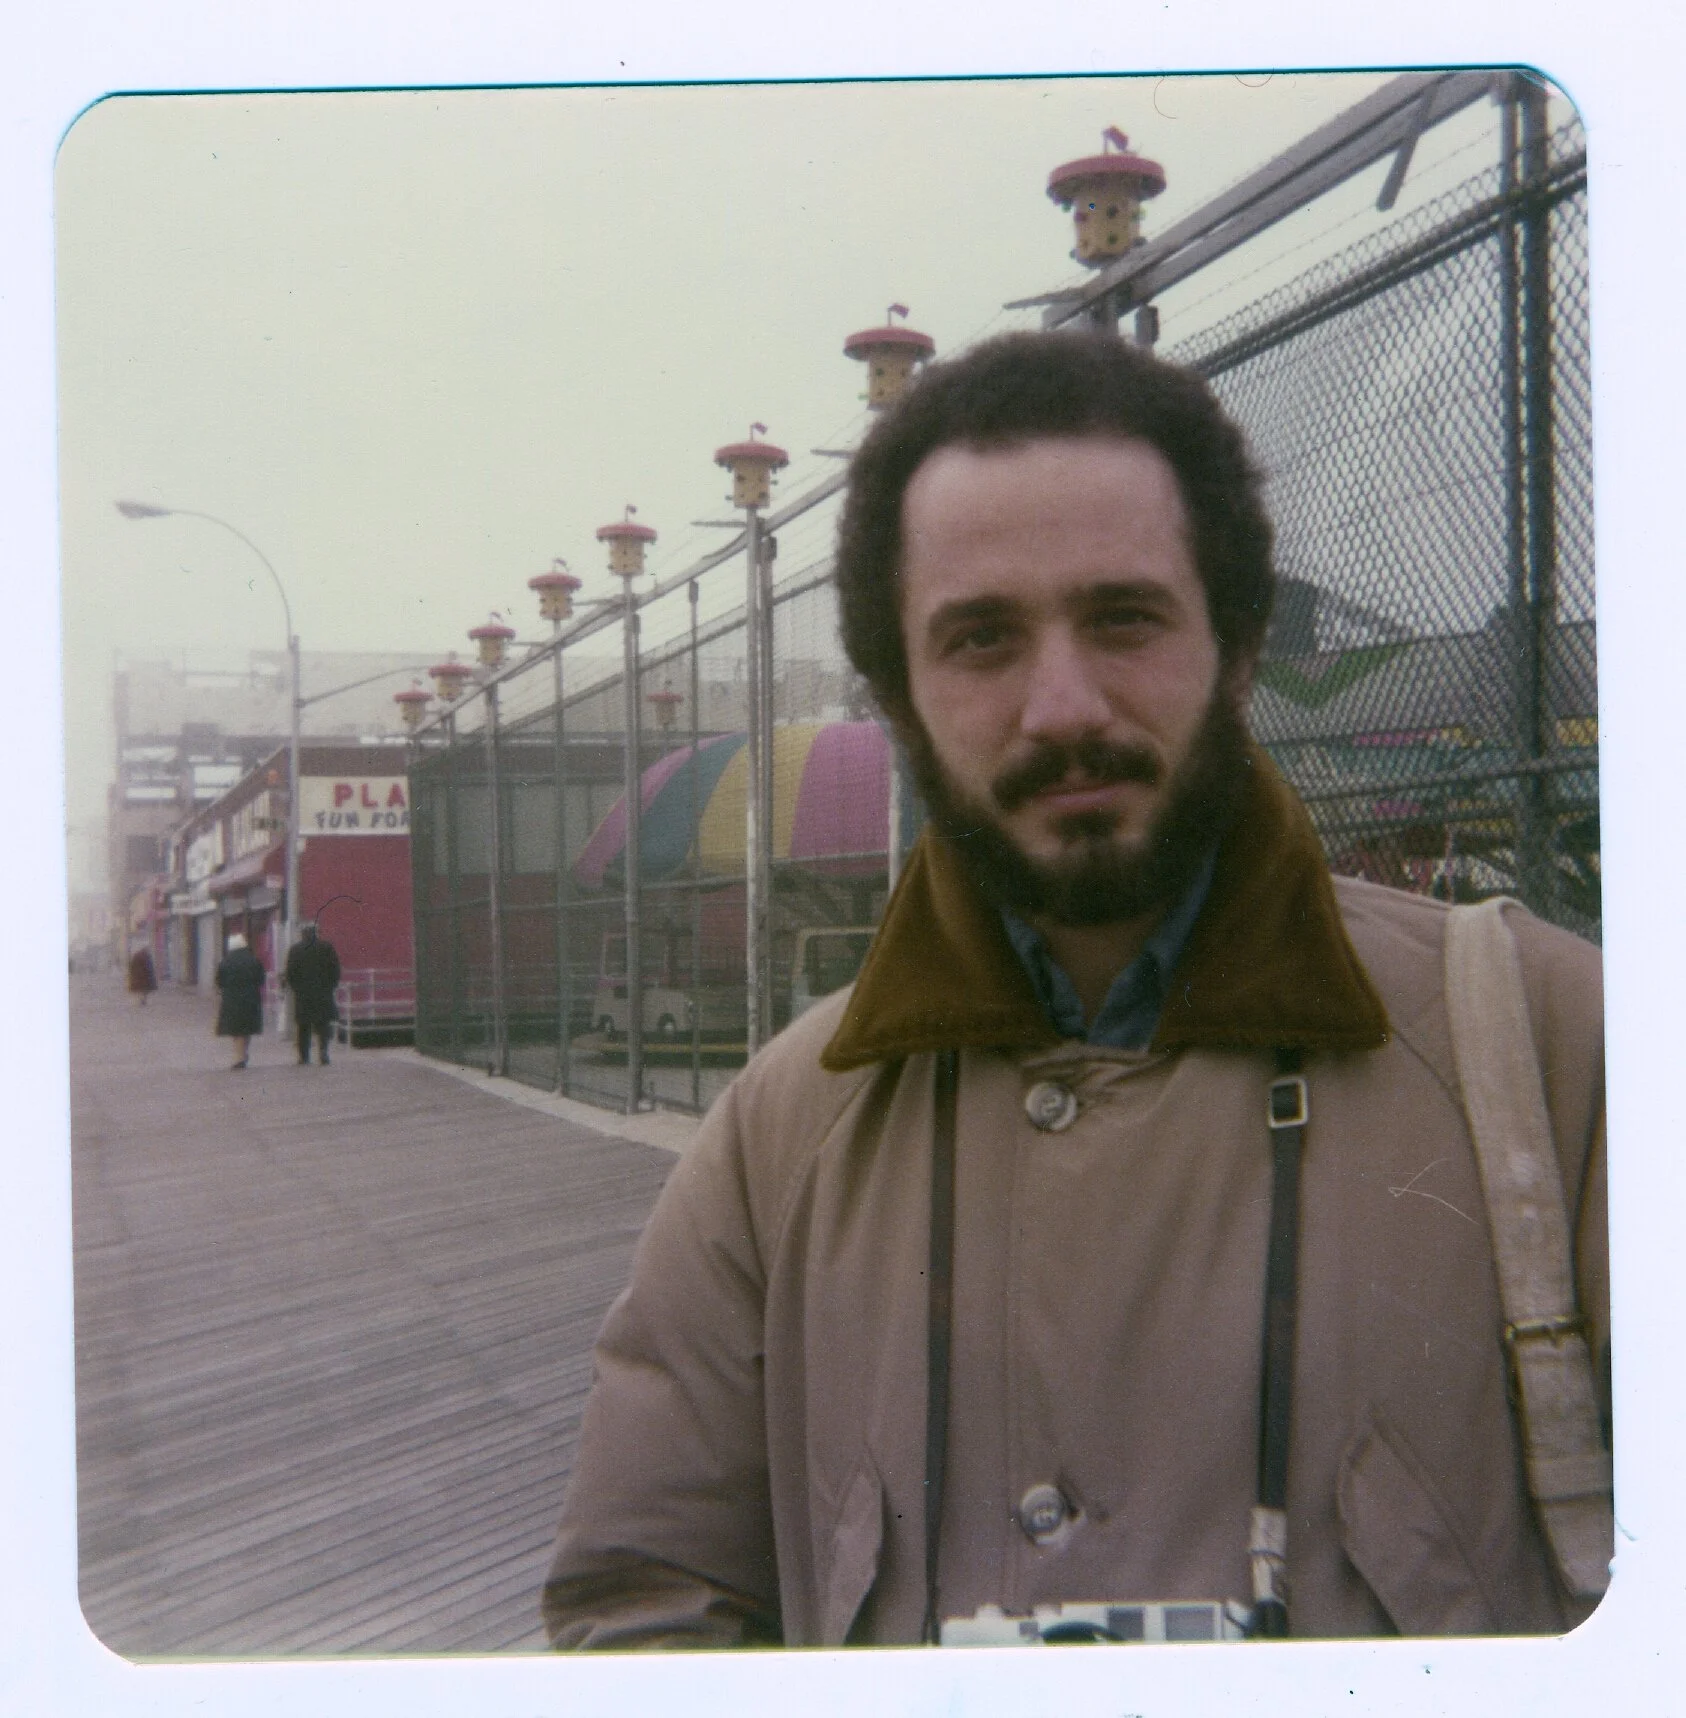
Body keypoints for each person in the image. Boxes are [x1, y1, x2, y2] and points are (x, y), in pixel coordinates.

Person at [542, 332, 1608, 1647]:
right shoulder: (781, 1136)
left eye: (1121, 617)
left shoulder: (1558, 1050)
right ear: (899, 696)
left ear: (1234, 645)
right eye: (980, 638)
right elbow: (650, 1602)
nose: (1062, 704)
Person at [284, 920, 341, 1066]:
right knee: (323, 1025)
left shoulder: (296, 949)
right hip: (323, 992)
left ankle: (304, 1056)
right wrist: (331, 986)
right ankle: (323, 1052)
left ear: (303, 934)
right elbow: (335, 970)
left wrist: (296, 988)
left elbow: (290, 973)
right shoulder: (326, 947)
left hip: (303, 994)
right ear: (316, 933)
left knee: (303, 1026)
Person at [214, 932, 266, 1070]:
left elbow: (219, 981)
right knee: (246, 1028)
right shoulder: (254, 960)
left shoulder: (225, 962)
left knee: (236, 1030)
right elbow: (261, 979)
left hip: (232, 999)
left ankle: (239, 1057)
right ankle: (243, 1054)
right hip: (251, 998)